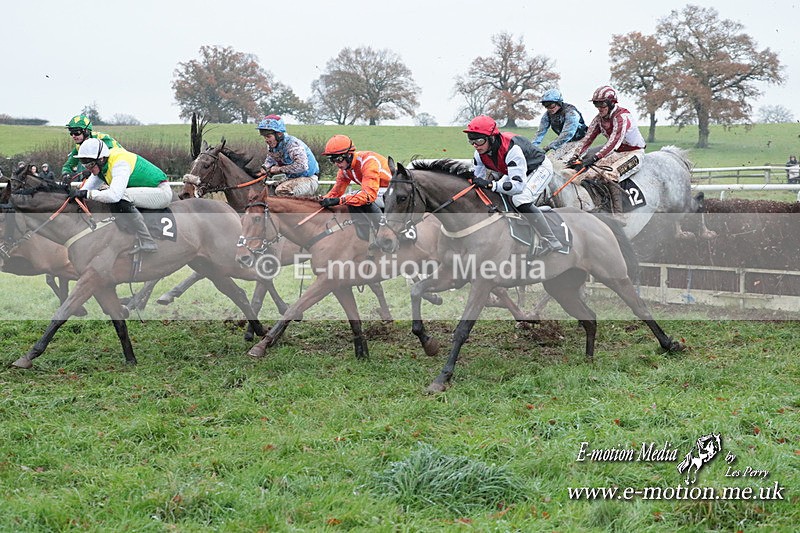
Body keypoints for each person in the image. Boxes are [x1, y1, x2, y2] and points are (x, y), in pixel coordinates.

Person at [464, 115, 565, 256]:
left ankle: (551, 239)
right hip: (516, 170)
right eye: (472, 141)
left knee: (520, 199)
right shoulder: (478, 154)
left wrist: (490, 184)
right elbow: (478, 180)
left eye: (479, 141)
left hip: (538, 168)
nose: (476, 145)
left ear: (492, 138)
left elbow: (517, 186)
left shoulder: (512, 149)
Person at [70, 138, 172, 254]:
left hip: (161, 192)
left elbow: (114, 196)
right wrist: (76, 194)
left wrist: (87, 194)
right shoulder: (102, 165)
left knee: (121, 196)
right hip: (145, 192)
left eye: (90, 164)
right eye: (85, 165)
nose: (89, 169)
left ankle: (147, 240)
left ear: (101, 159)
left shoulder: (119, 163)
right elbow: (85, 190)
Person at [569, 85, 646, 215]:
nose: (599, 108)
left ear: (611, 103)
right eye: (596, 104)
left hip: (634, 152)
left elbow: (613, 142)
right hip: (618, 153)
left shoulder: (622, 117)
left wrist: (595, 157)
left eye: (602, 104)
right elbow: (587, 139)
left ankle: (618, 214)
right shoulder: (598, 119)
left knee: (610, 174)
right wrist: (575, 156)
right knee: (587, 174)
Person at [318, 134, 391, 245]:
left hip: (393, 191)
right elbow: (335, 193)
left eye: (339, 159)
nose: (337, 164)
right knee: (351, 197)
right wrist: (320, 201)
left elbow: (369, 196)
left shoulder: (368, 162)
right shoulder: (344, 170)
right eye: (332, 160)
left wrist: (340, 200)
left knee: (353, 196)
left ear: (349, 155)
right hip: (378, 193)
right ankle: (365, 235)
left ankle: (384, 232)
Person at [255, 114, 319, 196]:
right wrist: (264, 169)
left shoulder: (293, 145)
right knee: (269, 190)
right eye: (264, 137)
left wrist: (279, 169)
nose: (266, 140)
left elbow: (302, 166)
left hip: (309, 179)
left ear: (279, 134)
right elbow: (270, 160)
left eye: (268, 136)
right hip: (292, 179)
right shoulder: (272, 146)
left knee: (281, 191)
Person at [61, 114, 123, 180]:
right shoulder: (79, 147)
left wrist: (92, 169)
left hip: (118, 173)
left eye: (76, 133)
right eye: (71, 133)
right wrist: (65, 174)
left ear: (86, 131)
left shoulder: (103, 139)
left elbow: (112, 160)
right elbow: (69, 165)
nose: (73, 136)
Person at [532, 88, 588, 153]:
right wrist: (532, 148)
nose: (549, 109)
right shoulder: (547, 115)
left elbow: (567, 133)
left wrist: (549, 147)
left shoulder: (571, 113)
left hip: (580, 141)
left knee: (569, 161)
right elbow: (540, 132)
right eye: (546, 106)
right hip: (565, 142)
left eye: (551, 105)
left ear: (559, 102)